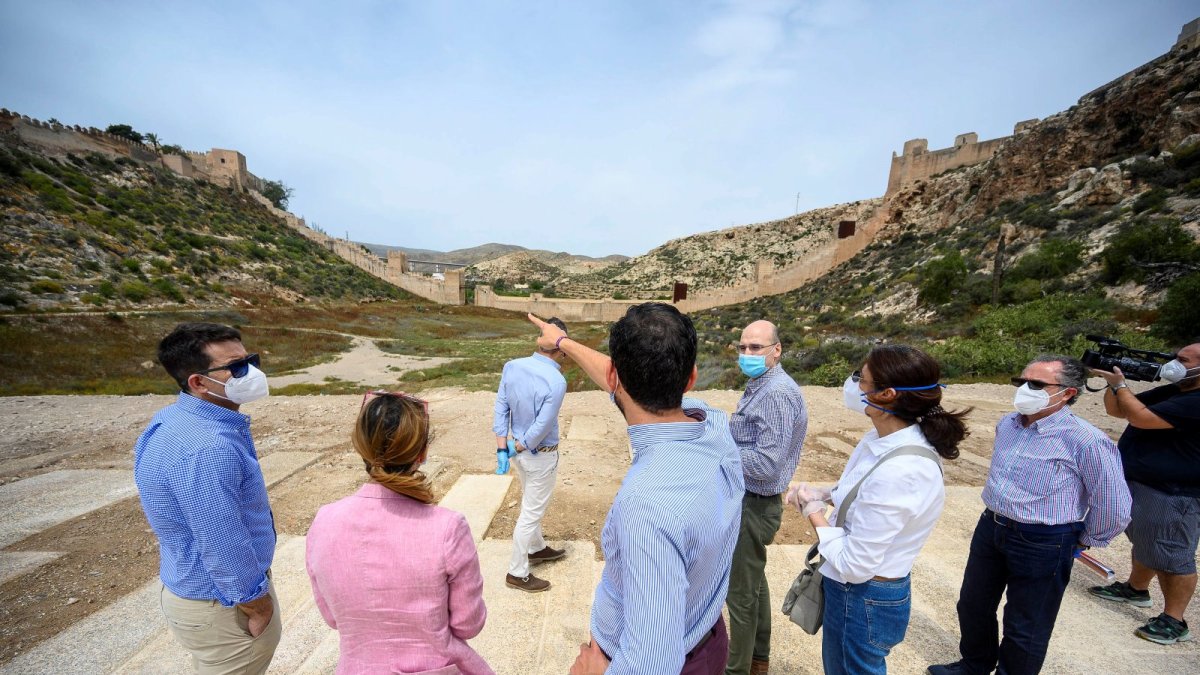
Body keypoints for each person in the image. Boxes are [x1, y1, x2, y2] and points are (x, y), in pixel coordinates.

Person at [528, 305, 743, 675]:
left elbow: (652, 662)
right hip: (707, 638)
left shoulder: (646, 509)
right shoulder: (714, 425)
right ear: (690, 378)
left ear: (615, 375)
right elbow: (623, 386)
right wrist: (563, 341)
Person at [929, 355, 1131, 675]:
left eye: (1036, 384)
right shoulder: (1007, 424)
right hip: (992, 525)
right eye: (1021, 382)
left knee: (1026, 623)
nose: (1024, 389)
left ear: (1067, 393)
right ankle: (974, 665)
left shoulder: (1085, 439)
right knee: (973, 604)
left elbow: (1115, 504)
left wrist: (1084, 538)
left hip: (1044, 539)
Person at [790, 344, 968, 675]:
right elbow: (861, 490)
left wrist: (813, 510)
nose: (854, 385)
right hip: (857, 592)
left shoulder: (903, 470)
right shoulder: (882, 440)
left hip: (862, 596)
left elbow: (855, 564)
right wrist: (826, 493)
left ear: (887, 394)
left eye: (862, 378)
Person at [306, 391, 491, 675]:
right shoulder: (448, 527)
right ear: (422, 453)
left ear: (362, 447)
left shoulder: (323, 521)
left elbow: (333, 617)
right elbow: (468, 624)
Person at [133, 322, 281, 674]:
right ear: (198, 382)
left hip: (200, 592)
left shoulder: (174, 420)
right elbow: (221, 539)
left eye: (251, 360)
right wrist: (256, 604)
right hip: (223, 605)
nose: (252, 373)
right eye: (238, 367)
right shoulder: (209, 448)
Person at [1088, 341, 1200, 645]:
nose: (1174, 363)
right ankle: (1136, 589)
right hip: (1144, 481)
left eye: (1182, 360)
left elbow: (1140, 417)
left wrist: (1122, 384)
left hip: (1173, 492)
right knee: (1146, 538)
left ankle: (1174, 621)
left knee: (1172, 553)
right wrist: (1114, 387)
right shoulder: (1178, 391)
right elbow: (1119, 410)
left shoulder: (1196, 401)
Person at [726, 320, 808, 675]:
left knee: (740, 594)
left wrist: (716, 450)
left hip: (754, 504)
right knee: (753, 582)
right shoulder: (762, 384)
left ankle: (737, 669)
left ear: (776, 349)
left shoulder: (775, 393)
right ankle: (758, 658)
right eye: (743, 347)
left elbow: (765, 462)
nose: (747, 354)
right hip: (753, 502)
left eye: (756, 348)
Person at [493, 317, 571, 593]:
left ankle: (536, 549)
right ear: (561, 349)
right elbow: (543, 426)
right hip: (540, 455)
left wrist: (504, 447)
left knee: (529, 502)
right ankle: (517, 571)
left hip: (517, 453)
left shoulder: (512, 366)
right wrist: (521, 445)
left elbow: (501, 406)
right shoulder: (557, 381)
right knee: (530, 513)